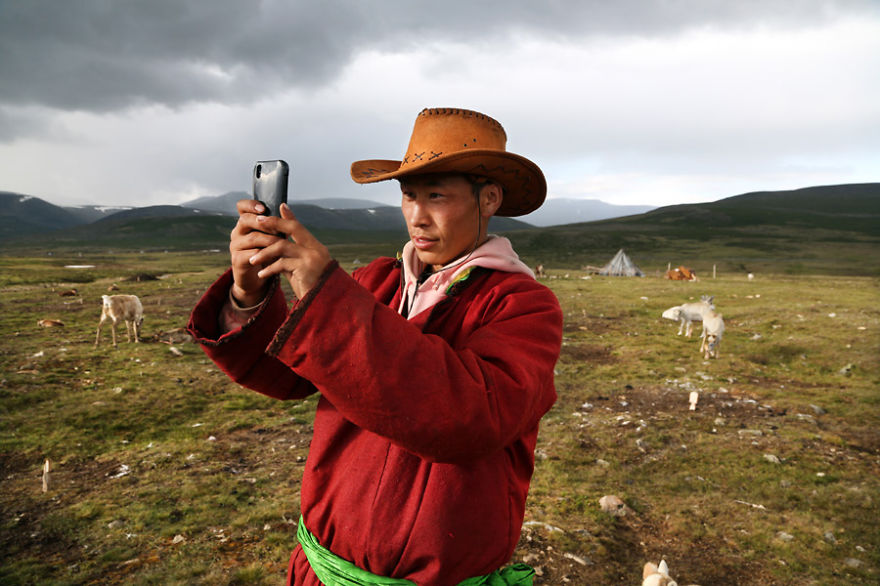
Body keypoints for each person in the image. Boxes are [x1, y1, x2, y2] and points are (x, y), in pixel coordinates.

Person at [187, 107, 563, 586]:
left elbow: (468, 417)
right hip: (322, 572)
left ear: (488, 199)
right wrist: (248, 294)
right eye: (408, 197)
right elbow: (288, 375)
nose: (417, 217)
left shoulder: (523, 306)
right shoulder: (373, 282)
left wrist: (326, 294)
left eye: (436, 197)